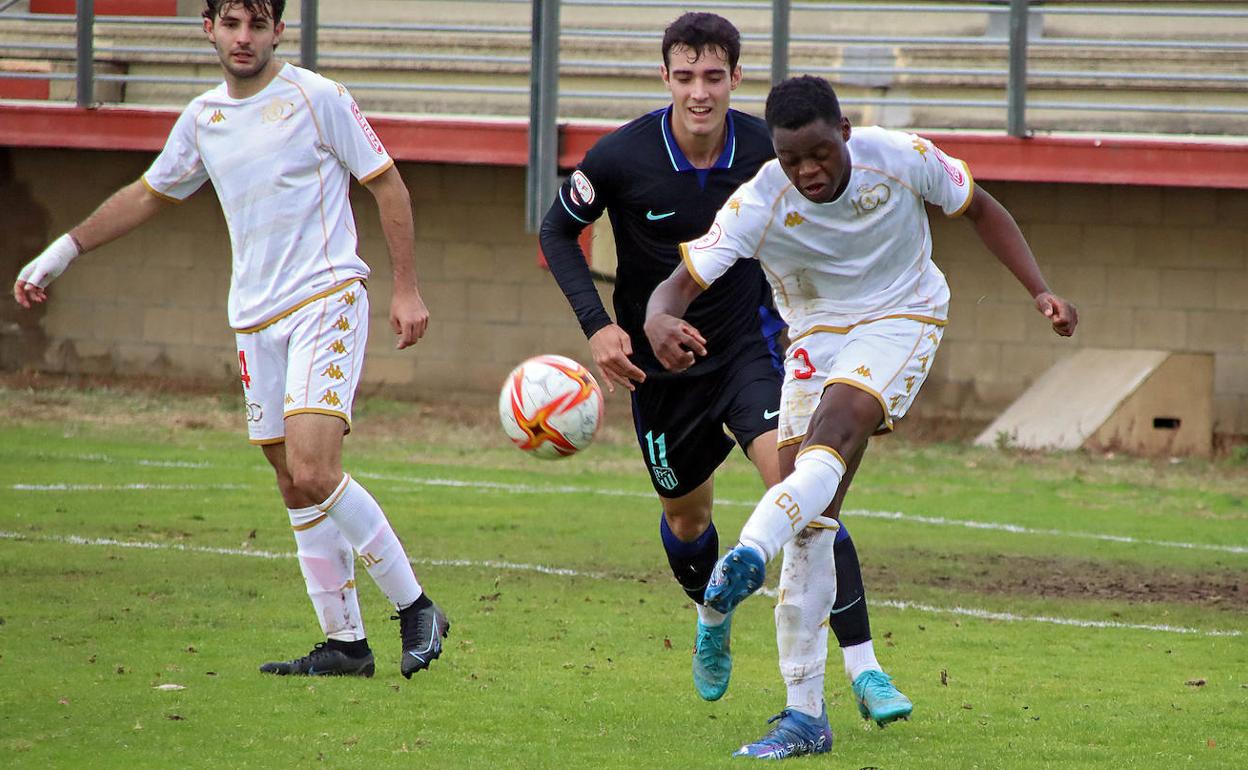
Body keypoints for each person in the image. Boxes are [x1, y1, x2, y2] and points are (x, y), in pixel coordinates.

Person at [12, 0, 448, 680]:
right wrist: (63, 250)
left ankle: (416, 606)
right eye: (231, 23)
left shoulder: (317, 97)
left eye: (257, 24)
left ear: (279, 31)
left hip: (325, 298)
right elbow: (148, 193)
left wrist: (407, 288)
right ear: (208, 28)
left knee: (314, 468)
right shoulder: (203, 118)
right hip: (253, 319)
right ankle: (345, 644)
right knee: (291, 480)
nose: (243, 38)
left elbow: (386, 183)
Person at [645, 75, 1078, 759]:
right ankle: (804, 716)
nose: (807, 171)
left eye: (819, 153)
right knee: (811, 524)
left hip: (904, 314)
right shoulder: (761, 199)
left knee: (838, 431)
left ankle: (745, 557)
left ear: (845, 132)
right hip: (815, 334)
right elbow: (678, 285)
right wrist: (658, 318)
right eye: (792, 159)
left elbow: (981, 208)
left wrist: (1040, 290)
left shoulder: (901, 156)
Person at [539, 13, 910, 720]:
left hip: (749, 351)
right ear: (665, 77)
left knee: (806, 496)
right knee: (687, 522)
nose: (700, 92)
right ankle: (711, 616)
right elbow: (557, 229)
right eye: (685, 77)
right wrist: (598, 327)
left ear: (737, 77)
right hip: (658, 372)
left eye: (714, 76)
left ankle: (865, 669)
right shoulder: (620, 157)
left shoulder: (769, 154)